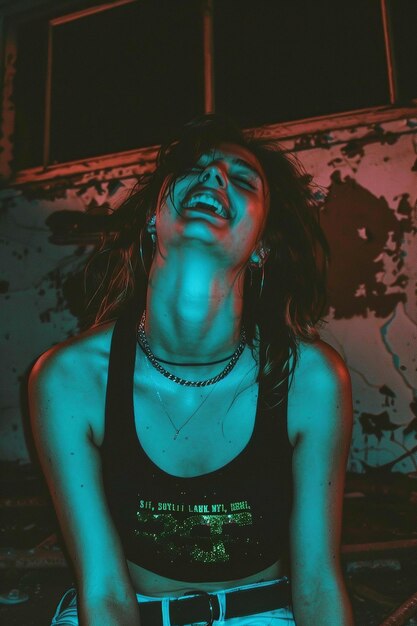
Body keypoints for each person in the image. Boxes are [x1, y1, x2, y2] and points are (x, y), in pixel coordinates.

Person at [29, 114, 354, 625]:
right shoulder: (70, 379)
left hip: (263, 614)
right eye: (195, 169)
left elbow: (316, 582)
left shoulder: (310, 379)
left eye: (242, 179)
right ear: (153, 217)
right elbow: (104, 589)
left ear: (262, 245)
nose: (215, 178)